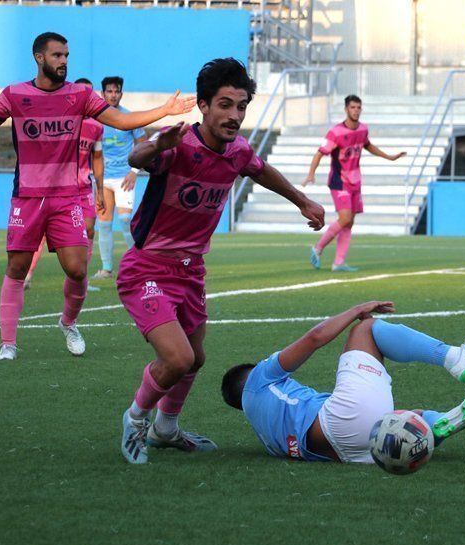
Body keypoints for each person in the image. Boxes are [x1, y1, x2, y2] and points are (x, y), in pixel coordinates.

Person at [0, 31, 195, 361]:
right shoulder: (14, 94)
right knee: (17, 266)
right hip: (27, 197)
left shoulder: (80, 95)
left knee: (78, 269)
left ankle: (68, 323)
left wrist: (165, 110)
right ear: (39, 58)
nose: (64, 62)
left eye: (67, 56)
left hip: (67, 197)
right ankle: (8, 345)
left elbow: (123, 120)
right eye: (57, 56)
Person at [118, 58, 325, 464]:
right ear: (204, 106)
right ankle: (136, 420)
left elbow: (260, 170)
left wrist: (303, 200)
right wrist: (157, 145)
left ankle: (166, 427)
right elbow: (139, 156)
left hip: (191, 271)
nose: (234, 115)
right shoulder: (177, 143)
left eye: (242, 106)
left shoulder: (238, 150)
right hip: (147, 267)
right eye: (225, 105)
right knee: (177, 358)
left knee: (196, 358)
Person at [220, 301, 465, 463]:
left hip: (349, 451)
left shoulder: (265, 436)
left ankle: (442, 421)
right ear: (252, 372)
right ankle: (455, 357)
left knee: (409, 419)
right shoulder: (258, 378)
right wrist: (356, 311)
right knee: (367, 329)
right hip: (338, 420)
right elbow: (314, 338)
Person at [303, 95, 406, 272]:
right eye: (352, 107)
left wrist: (389, 157)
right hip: (339, 181)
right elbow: (320, 153)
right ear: (346, 109)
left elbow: (368, 145)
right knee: (345, 218)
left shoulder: (363, 130)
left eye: (358, 107)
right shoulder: (336, 132)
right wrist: (311, 174)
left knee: (349, 223)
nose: (356, 110)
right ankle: (318, 248)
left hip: (355, 182)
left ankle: (339, 263)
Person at [24, 77, 105, 292]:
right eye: (84, 92)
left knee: (89, 230)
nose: (88, 98)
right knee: (40, 233)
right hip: (57, 187)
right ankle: (27, 275)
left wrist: (100, 190)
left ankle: (81, 282)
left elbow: (97, 158)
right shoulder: (62, 118)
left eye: (91, 93)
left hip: (83, 188)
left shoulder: (97, 126)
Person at [92, 76, 148, 279]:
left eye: (116, 91)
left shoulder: (128, 118)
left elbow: (145, 145)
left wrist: (134, 171)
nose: (113, 95)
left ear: (121, 94)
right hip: (102, 179)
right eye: (109, 91)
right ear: (103, 94)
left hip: (124, 178)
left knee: (125, 220)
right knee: (104, 224)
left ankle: (140, 264)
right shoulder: (96, 118)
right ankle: (106, 268)